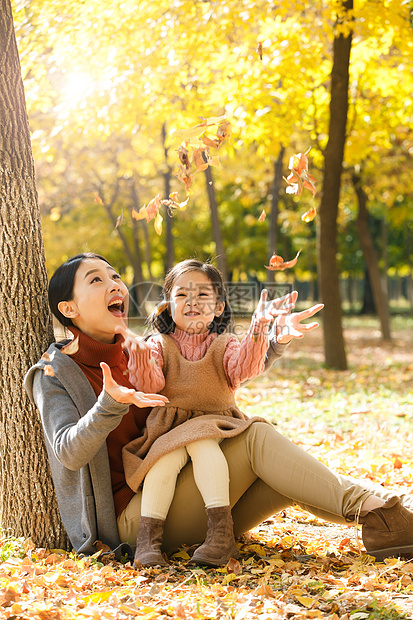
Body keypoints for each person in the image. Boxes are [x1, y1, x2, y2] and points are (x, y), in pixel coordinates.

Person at [24, 253, 413, 566]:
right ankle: (386, 515)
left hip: (191, 487)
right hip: (135, 520)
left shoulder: (142, 348)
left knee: (285, 474)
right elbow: (69, 453)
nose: (114, 285)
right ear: (69, 308)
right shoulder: (55, 373)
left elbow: (217, 371)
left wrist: (271, 337)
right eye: (96, 280)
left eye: (115, 277)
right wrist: (109, 403)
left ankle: (386, 518)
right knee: (257, 437)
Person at [121, 259, 297, 567]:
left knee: (203, 446)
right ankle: (147, 542)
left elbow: (243, 368)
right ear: (167, 306)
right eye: (181, 295)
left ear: (218, 307)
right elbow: (151, 383)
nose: (192, 301)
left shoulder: (225, 343)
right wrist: (137, 357)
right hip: (169, 428)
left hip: (215, 422)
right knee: (163, 464)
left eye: (202, 294)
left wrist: (259, 327)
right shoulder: (157, 345)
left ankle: (220, 535)